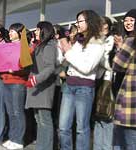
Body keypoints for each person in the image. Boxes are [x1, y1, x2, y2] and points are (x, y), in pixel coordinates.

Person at [58, 10, 104, 150]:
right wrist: (63, 51)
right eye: (77, 21)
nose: (77, 24)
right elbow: (67, 62)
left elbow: (86, 67)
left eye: (80, 21)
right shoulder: (78, 41)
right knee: (63, 127)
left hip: (84, 88)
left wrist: (68, 51)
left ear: (89, 22)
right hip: (69, 85)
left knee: (81, 128)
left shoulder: (98, 43)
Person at [112, 10, 136, 150]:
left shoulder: (132, 42)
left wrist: (119, 49)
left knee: (132, 144)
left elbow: (117, 65)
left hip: (132, 102)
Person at [25, 21, 57, 150]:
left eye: (38, 30)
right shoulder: (39, 46)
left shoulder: (49, 45)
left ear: (45, 31)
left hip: (43, 88)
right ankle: (40, 146)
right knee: (39, 120)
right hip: (36, 88)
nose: (35, 32)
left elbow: (50, 68)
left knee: (45, 121)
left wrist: (35, 80)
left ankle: (46, 147)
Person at [1, 23, 28, 150]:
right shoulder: (7, 46)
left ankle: (19, 140)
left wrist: (15, 70)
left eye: (13, 31)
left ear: (19, 33)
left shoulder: (25, 47)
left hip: (18, 82)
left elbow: (26, 68)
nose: (10, 33)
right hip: (6, 81)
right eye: (10, 31)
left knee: (18, 112)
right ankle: (12, 137)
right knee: (10, 112)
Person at [93, 16, 115, 150]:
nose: (102, 27)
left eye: (104, 24)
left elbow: (110, 62)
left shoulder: (112, 40)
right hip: (95, 80)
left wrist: (97, 60)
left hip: (107, 80)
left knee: (106, 116)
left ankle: (106, 147)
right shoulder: (95, 40)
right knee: (97, 118)